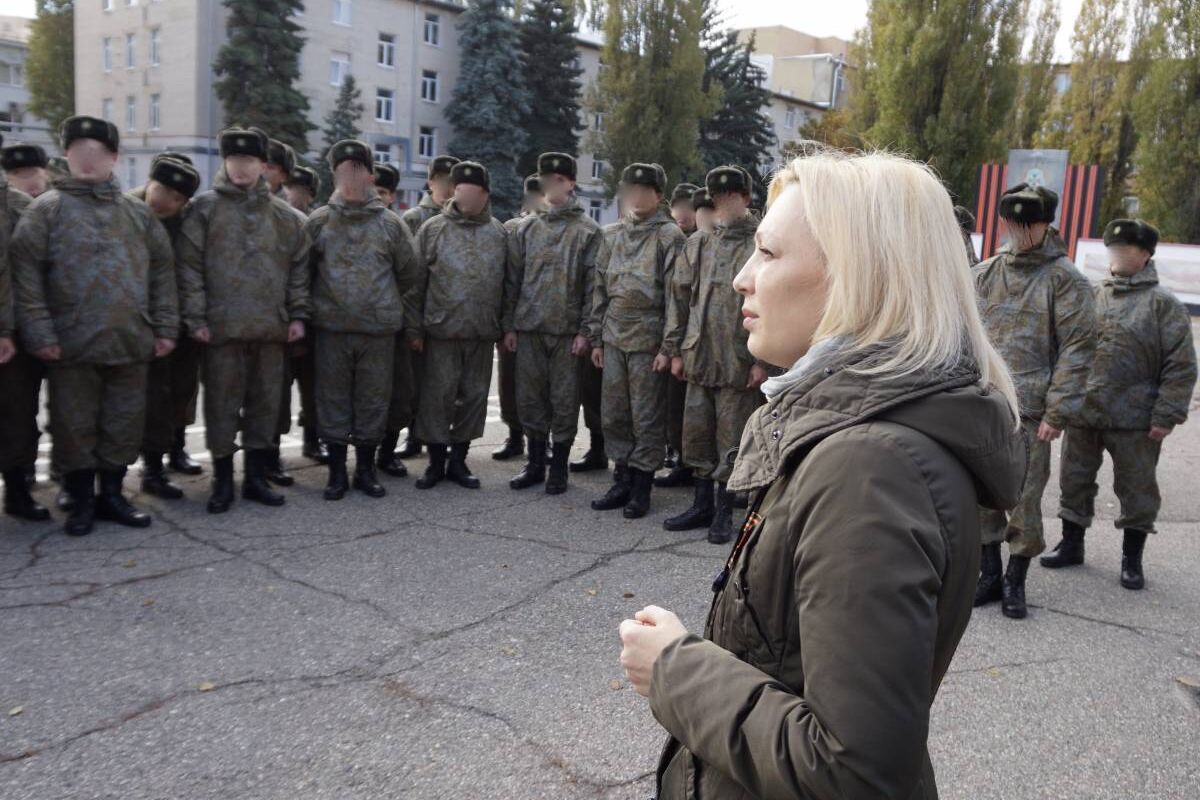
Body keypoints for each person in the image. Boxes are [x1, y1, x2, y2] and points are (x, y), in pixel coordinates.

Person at [618, 148, 1025, 800]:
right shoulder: (862, 441)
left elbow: (854, 771)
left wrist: (674, 668)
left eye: (770, 254)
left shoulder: (869, 467)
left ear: (856, 276)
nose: (742, 279)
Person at [11, 115, 178, 536]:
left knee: (123, 423)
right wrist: (40, 334)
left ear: (115, 158)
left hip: (129, 341)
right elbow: (25, 278)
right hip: (70, 347)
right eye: (80, 151)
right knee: (73, 425)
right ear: (65, 156)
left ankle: (113, 496)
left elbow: (162, 273)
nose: (89, 160)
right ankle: (82, 500)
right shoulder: (45, 211)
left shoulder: (138, 215)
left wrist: (164, 328)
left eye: (98, 152)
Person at [1046, 218, 1197, 589]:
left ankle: (1132, 559)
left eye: (1127, 250)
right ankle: (1071, 544)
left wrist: (1166, 414)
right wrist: (1061, 401)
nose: (1118, 256)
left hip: (1136, 419)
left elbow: (1181, 366)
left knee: (1137, 489)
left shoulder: (1163, 305)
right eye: (1114, 249)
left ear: (1145, 255)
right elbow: (1067, 349)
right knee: (1074, 481)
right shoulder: (1093, 296)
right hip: (1085, 410)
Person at [973, 183, 1096, 619]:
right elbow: (965, 335)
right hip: (984, 402)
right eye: (1014, 224)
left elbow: (1078, 350)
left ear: (1046, 224)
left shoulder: (1065, 280)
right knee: (982, 494)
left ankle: (1015, 579)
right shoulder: (986, 273)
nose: (1020, 233)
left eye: (1030, 225)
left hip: (1032, 412)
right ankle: (988, 573)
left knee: (1024, 499)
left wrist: (1058, 411)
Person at [178, 126, 311, 514]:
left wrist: (298, 314)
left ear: (263, 166)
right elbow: (189, 268)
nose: (240, 168)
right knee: (221, 406)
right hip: (220, 331)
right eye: (234, 160)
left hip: (271, 330)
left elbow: (298, 270)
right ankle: (222, 480)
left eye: (249, 161)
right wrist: (196, 317)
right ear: (225, 162)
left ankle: (255, 478)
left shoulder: (286, 217)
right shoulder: (204, 210)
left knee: (264, 405)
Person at [305, 140, 418, 500]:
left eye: (357, 170)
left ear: (370, 175)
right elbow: (302, 274)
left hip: (377, 333)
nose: (350, 177)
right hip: (332, 331)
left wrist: (386, 309)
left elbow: (409, 274)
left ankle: (366, 470)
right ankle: (337, 473)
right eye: (343, 170)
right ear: (335, 174)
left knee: (373, 401)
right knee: (333, 401)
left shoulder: (391, 225)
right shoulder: (319, 222)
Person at [661, 166, 765, 543]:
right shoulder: (699, 243)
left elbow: (771, 303)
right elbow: (679, 300)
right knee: (697, 433)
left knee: (732, 436)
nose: (724, 205)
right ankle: (701, 504)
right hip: (698, 355)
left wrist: (763, 360)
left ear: (746, 199)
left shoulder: (760, 244)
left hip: (738, 358)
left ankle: (724, 510)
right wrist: (673, 349)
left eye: (731, 197)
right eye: (718, 199)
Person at [587, 162, 686, 518]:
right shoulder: (610, 235)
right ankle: (621, 478)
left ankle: (642, 486)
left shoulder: (668, 236)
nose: (637, 196)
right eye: (632, 189)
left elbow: (677, 296)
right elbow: (599, 288)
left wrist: (668, 346)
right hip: (614, 336)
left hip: (649, 339)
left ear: (659, 196)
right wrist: (596, 337)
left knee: (646, 416)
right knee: (614, 413)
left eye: (646, 190)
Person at [408, 160, 510, 489]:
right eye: (460, 189)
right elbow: (415, 283)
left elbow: (508, 285)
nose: (464, 196)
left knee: (474, 397)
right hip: (440, 332)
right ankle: (436, 463)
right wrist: (415, 329)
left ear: (485, 194)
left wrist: (504, 327)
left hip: (480, 334)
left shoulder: (498, 233)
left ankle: (458, 461)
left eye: (472, 191)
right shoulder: (433, 229)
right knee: (437, 398)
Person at [503, 154, 601, 494]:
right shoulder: (526, 228)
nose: (551, 185)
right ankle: (534, 464)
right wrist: (509, 326)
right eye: (546, 179)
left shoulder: (587, 231)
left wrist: (585, 331)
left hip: (566, 333)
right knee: (530, 400)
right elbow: (512, 280)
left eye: (558, 179)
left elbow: (593, 286)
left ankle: (558, 468)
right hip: (529, 328)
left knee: (563, 401)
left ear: (570, 184)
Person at [129, 155, 203, 500]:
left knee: (181, 392)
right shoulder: (126, 211)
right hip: (137, 323)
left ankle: (175, 450)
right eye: (160, 190)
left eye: (175, 198)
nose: (163, 201)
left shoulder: (189, 221)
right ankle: (150, 467)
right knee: (148, 399)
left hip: (183, 323)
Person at [384, 155, 460, 464]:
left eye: (451, 181)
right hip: (419, 313)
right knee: (414, 384)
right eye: (441, 180)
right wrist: (411, 319)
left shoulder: (459, 218)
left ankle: (438, 439)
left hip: (448, 316)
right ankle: (414, 437)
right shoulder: (414, 218)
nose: (447, 187)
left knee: (443, 385)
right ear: (430, 182)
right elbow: (408, 273)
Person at [0, 136, 44, 521]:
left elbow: (35, 276)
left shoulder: (22, 210)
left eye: (32, 172)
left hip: (14, 336)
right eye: (19, 174)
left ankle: (17, 491)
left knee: (17, 414)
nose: (26, 180)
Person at [494, 174, 546, 463]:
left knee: (545, 387)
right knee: (510, 382)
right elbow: (504, 279)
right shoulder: (512, 229)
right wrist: (505, 324)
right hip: (516, 320)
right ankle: (514, 436)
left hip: (546, 321)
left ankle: (542, 439)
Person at [659, 181, 701, 484]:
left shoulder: (699, 243)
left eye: (689, 208)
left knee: (688, 405)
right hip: (663, 331)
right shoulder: (668, 239)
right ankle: (674, 453)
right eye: (679, 207)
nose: (683, 213)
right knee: (669, 402)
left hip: (692, 335)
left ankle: (688, 461)